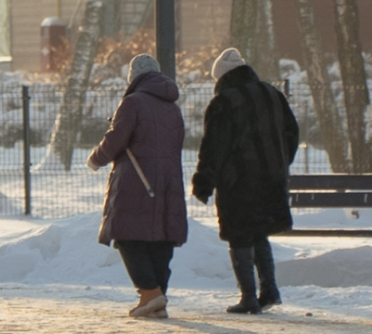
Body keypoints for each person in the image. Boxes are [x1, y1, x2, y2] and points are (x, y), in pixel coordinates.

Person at [192, 48, 298, 315]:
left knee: (240, 235)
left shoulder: (225, 102)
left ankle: (248, 297)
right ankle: (270, 289)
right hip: (272, 178)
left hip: (238, 181)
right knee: (260, 231)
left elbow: (214, 146)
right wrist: (280, 162)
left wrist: (204, 181)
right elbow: (291, 132)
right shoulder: (272, 93)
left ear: (222, 77)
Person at [87, 54, 188, 319]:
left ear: (133, 77)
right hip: (168, 182)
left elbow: (116, 139)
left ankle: (150, 293)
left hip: (136, 180)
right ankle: (155, 297)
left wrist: (96, 158)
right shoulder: (173, 108)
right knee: (160, 237)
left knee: (127, 235)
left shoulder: (132, 103)